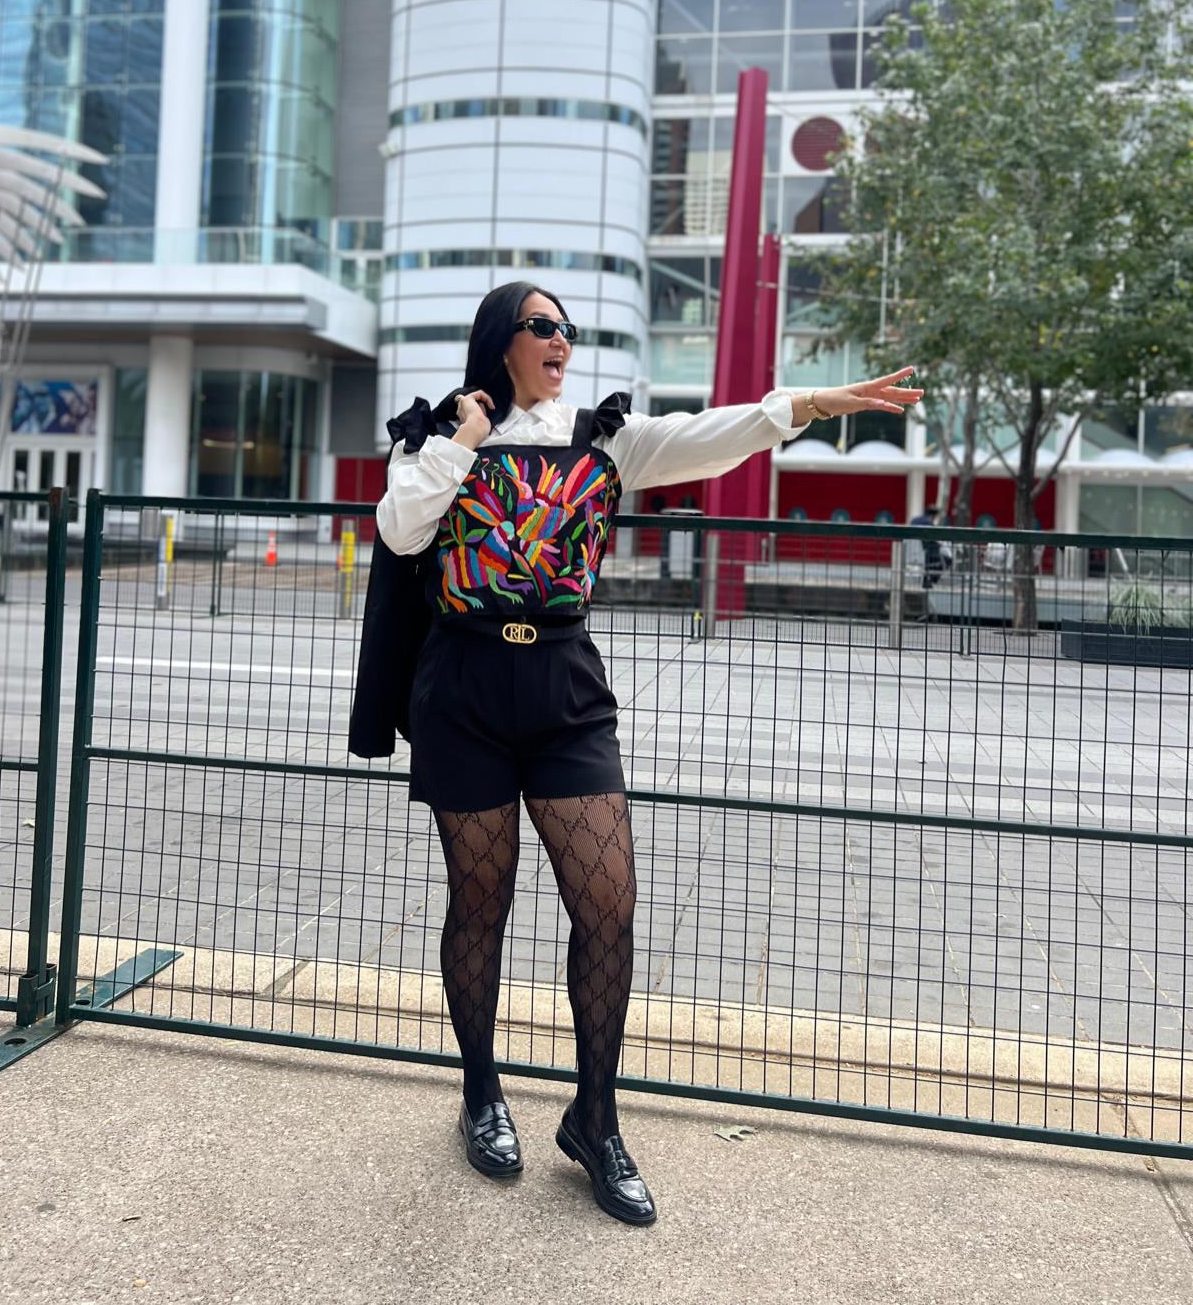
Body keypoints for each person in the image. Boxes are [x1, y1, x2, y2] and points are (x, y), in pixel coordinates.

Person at [375, 282, 921, 1228]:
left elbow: (712, 435)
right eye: (543, 327)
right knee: (480, 900)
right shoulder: (437, 436)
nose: (561, 341)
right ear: (502, 340)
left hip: (565, 691)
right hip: (463, 689)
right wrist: (462, 440)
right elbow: (399, 530)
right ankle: (481, 1093)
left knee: (609, 904)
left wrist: (812, 404)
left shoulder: (606, 437)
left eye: (567, 330)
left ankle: (594, 1119)